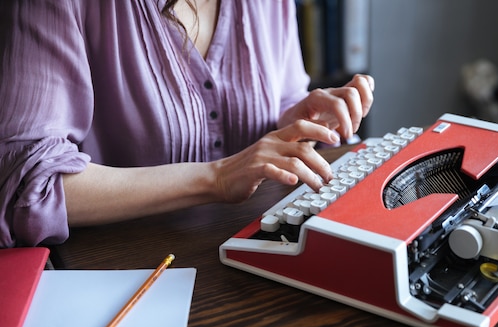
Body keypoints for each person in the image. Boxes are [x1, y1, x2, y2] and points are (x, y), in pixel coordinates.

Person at [0, 0, 374, 248]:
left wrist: (298, 123)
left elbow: (284, 97)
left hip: (257, 257)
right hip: (129, 274)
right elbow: (27, 182)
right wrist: (217, 178)